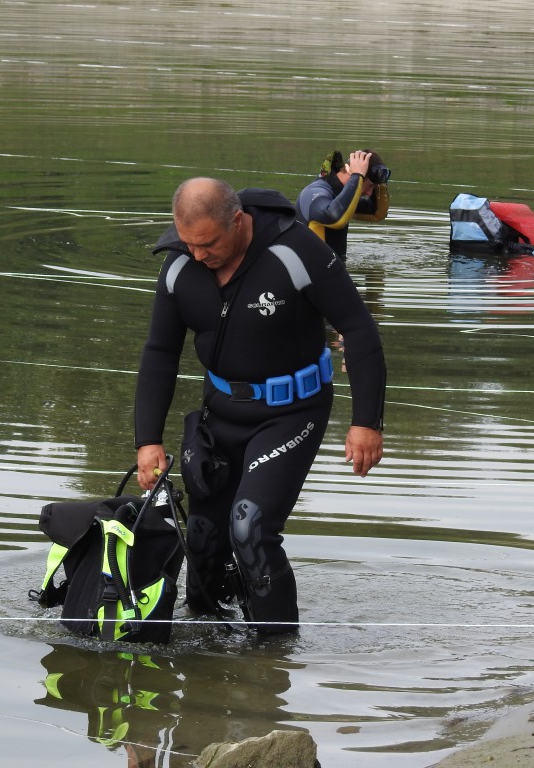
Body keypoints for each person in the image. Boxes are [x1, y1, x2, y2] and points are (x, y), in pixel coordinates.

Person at [134, 177, 386, 635]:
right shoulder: (178, 267)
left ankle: (275, 658)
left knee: (249, 527)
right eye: (188, 243)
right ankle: (209, 651)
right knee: (204, 539)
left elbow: (359, 327)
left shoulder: (296, 252)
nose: (197, 254)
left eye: (207, 243)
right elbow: (159, 354)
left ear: (238, 220)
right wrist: (148, 439)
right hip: (220, 413)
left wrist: (366, 422)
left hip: (292, 412)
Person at [295, 149, 391, 261]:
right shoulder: (315, 192)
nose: (369, 194)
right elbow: (336, 217)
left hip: (334, 272)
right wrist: (357, 175)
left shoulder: (342, 196)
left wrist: (381, 183)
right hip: (311, 274)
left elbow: (377, 212)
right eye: (370, 186)